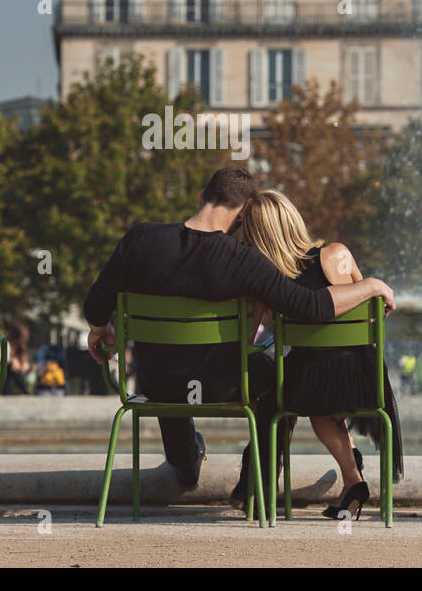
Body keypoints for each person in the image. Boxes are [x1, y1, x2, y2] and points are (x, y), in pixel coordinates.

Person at [83, 166, 395, 502]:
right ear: (245, 215)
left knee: (169, 369)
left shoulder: (140, 239)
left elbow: (96, 306)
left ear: (201, 197)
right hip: (225, 383)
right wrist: (371, 285)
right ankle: (256, 488)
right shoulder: (245, 261)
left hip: (155, 383)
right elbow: (309, 307)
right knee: (279, 378)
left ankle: (186, 467)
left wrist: (101, 330)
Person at [238, 190, 403, 520]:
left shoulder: (265, 281)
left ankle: (352, 478)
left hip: (309, 383)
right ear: (292, 219)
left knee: (311, 388)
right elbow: (372, 317)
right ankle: (351, 480)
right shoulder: (337, 254)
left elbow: (246, 340)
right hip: (364, 373)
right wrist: (372, 284)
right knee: (329, 369)